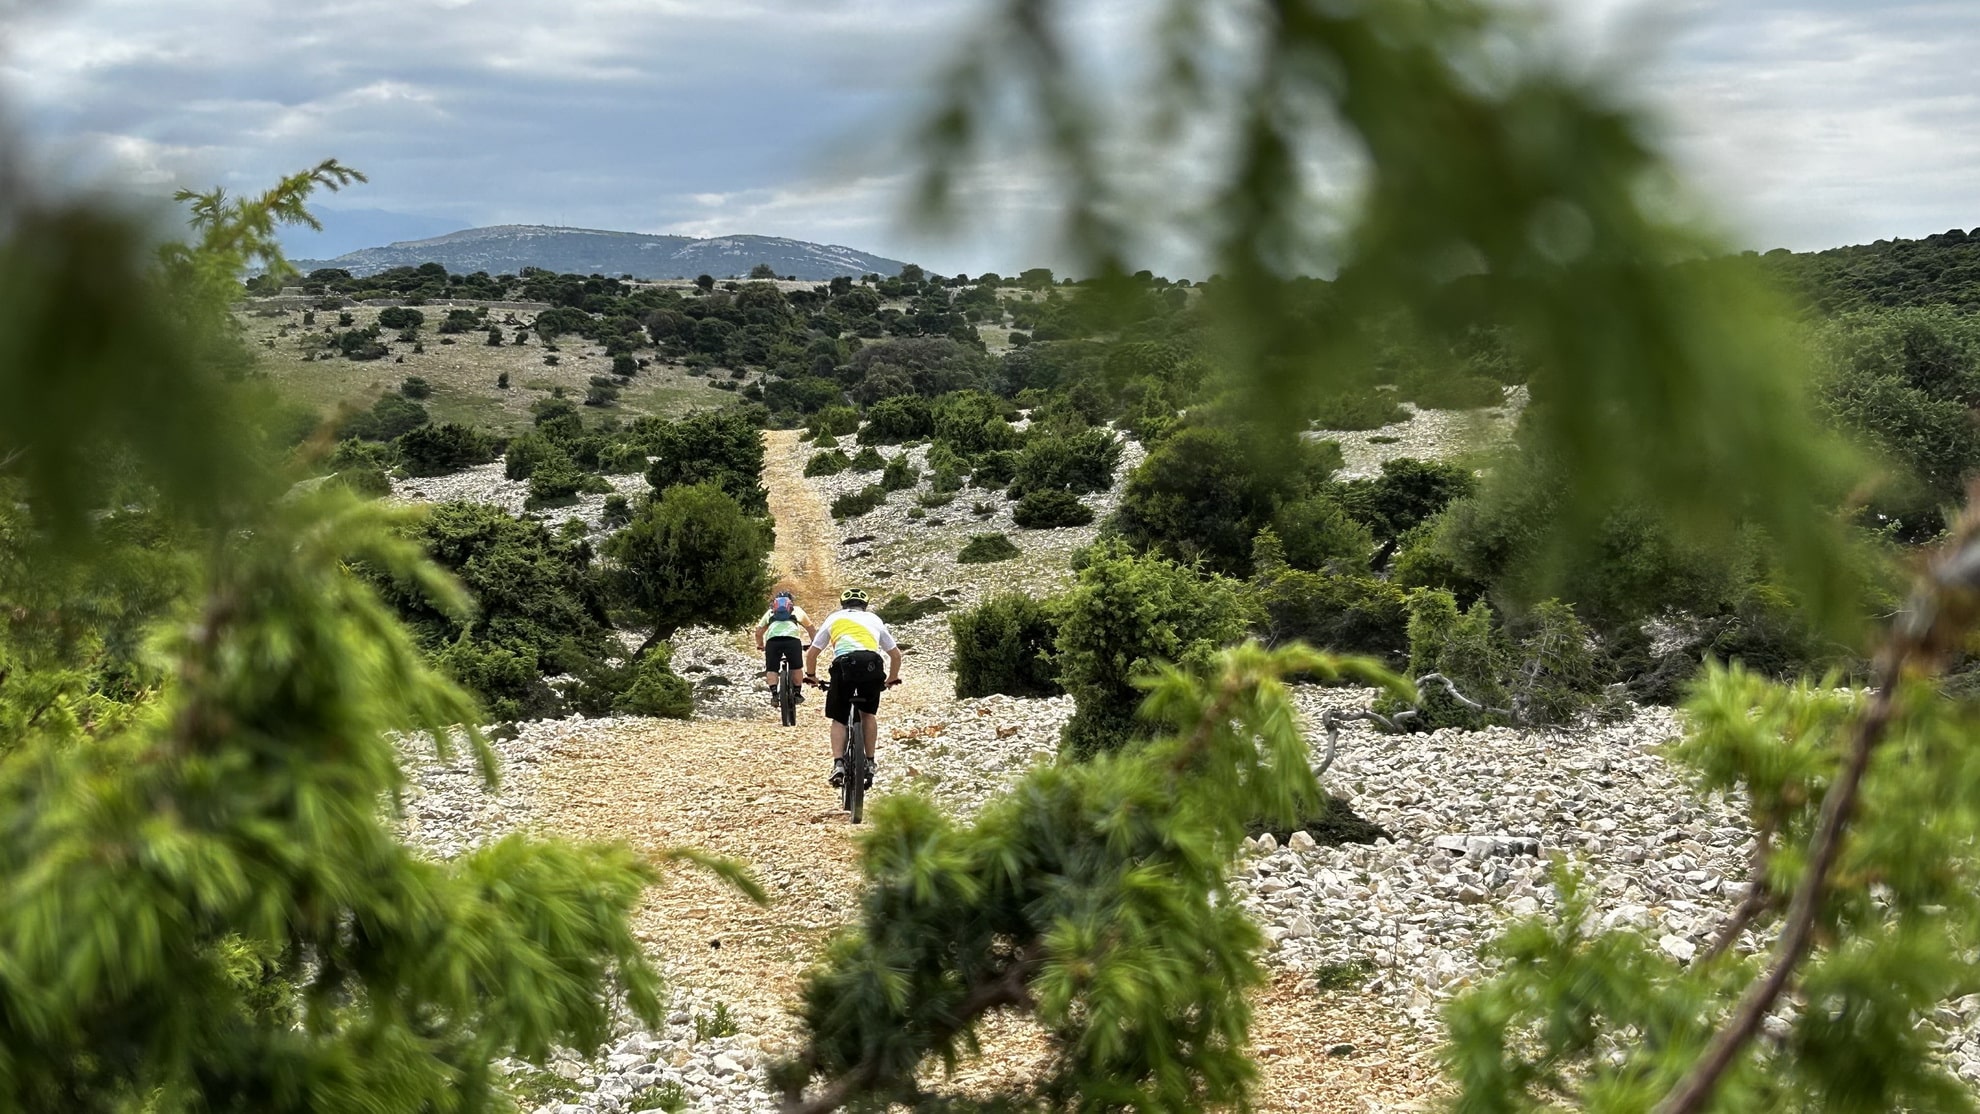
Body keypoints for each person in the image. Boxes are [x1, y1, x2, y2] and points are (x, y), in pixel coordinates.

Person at [803, 587, 902, 788]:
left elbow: (812, 653)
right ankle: (870, 761)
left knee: (839, 717)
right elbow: (896, 655)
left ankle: (838, 763)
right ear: (864, 606)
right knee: (868, 714)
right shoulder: (874, 619)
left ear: (843, 604)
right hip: (872, 665)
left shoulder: (834, 618)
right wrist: (891, 678)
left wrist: (812, 676)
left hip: (844, 666)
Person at [755, 588, 818, 707]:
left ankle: (774, 694)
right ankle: (797, 693)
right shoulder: (797, 610)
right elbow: (810, 629)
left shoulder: (770, 612)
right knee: (796, 667)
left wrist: (760, 645)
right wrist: (813, 643)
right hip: (792, 641)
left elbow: (758, 632)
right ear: (791, 602)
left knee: (772, 669)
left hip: (773, 642)